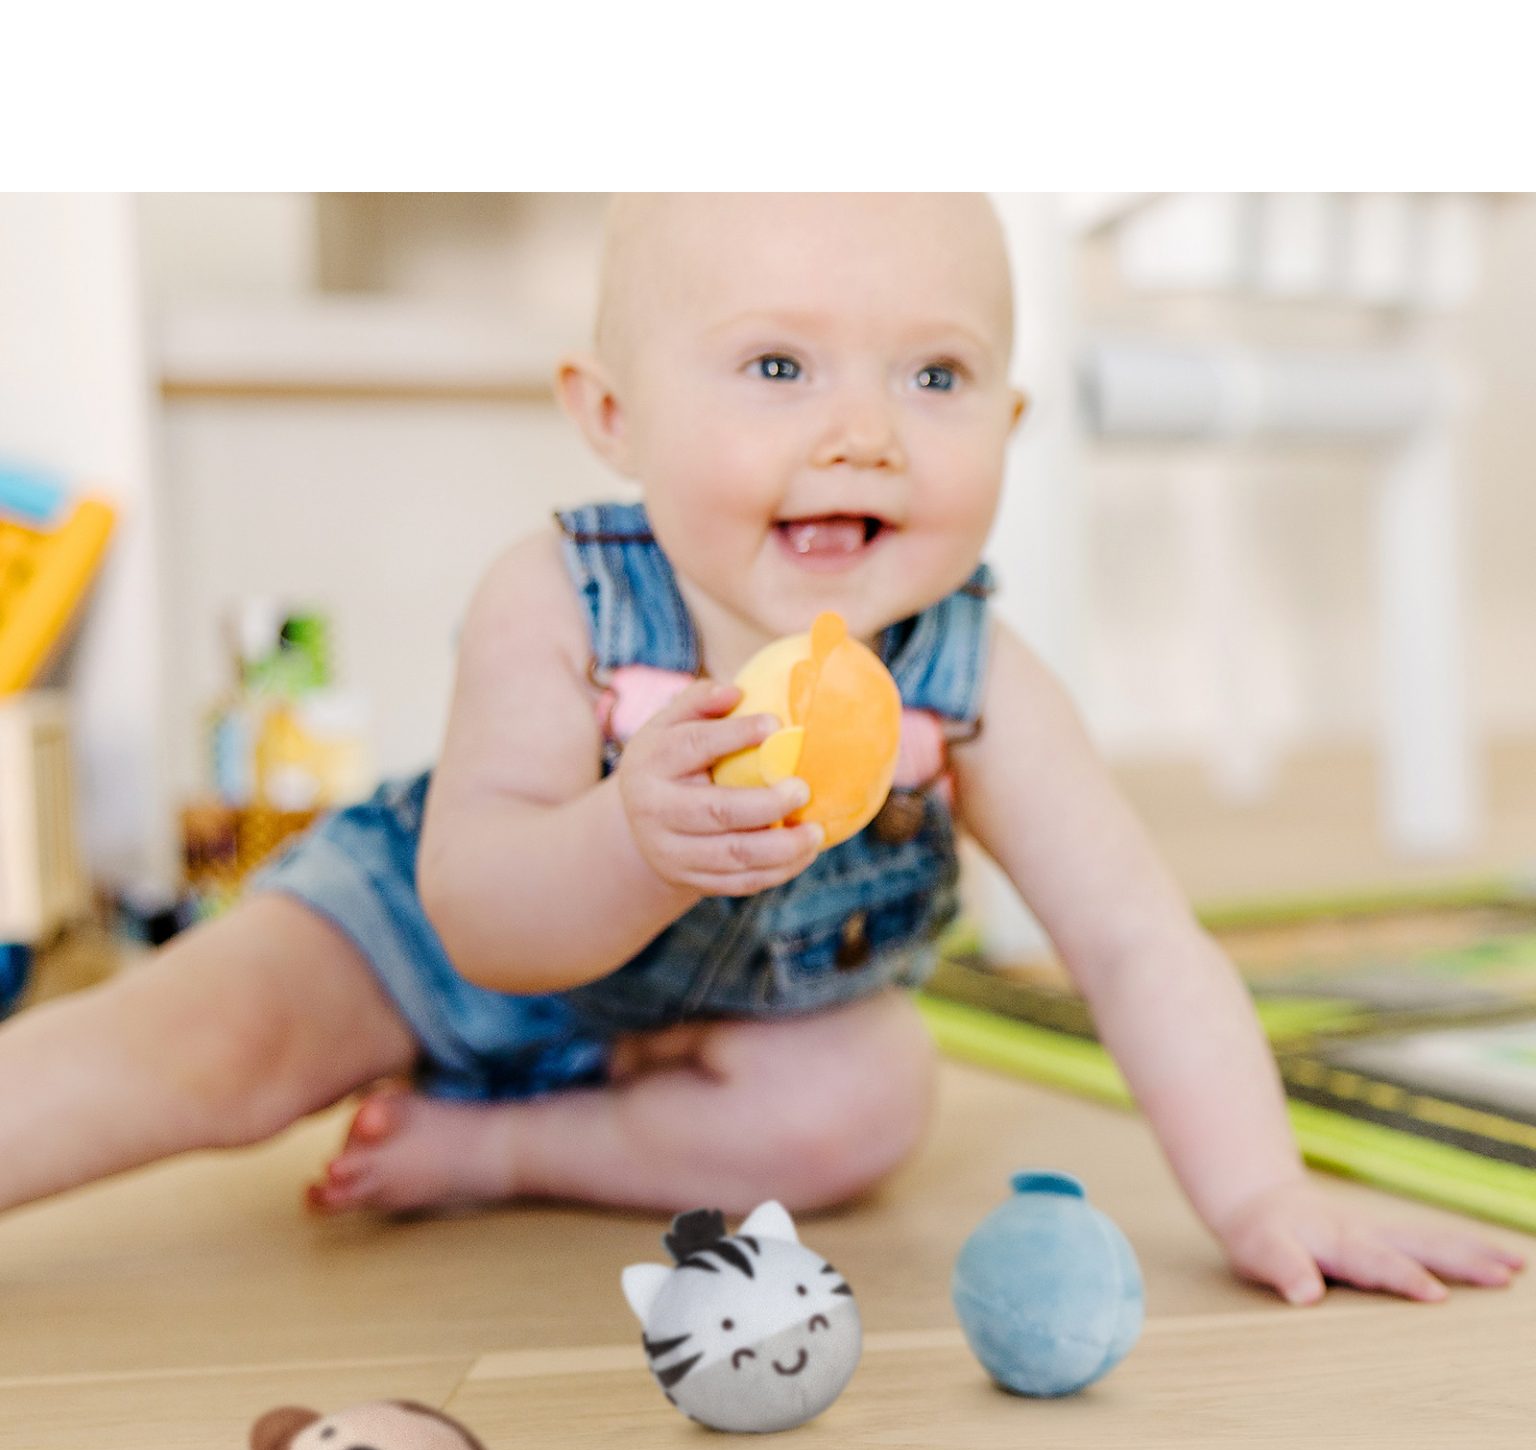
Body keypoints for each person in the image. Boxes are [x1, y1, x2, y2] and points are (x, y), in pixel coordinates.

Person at [0, 193, 1521, 1308]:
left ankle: (508, 1155)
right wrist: (629, 839)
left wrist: (1261, 1189)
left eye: (934, 378)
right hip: (428, 944)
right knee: (202, 1049)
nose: (864, 432)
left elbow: (1136, 944)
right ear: (613, 414)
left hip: (708, 1042)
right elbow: (479, 907)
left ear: (1010, 414)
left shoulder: (972, 679)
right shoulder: (562, 600)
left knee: (869, 1102)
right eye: (780, 368)